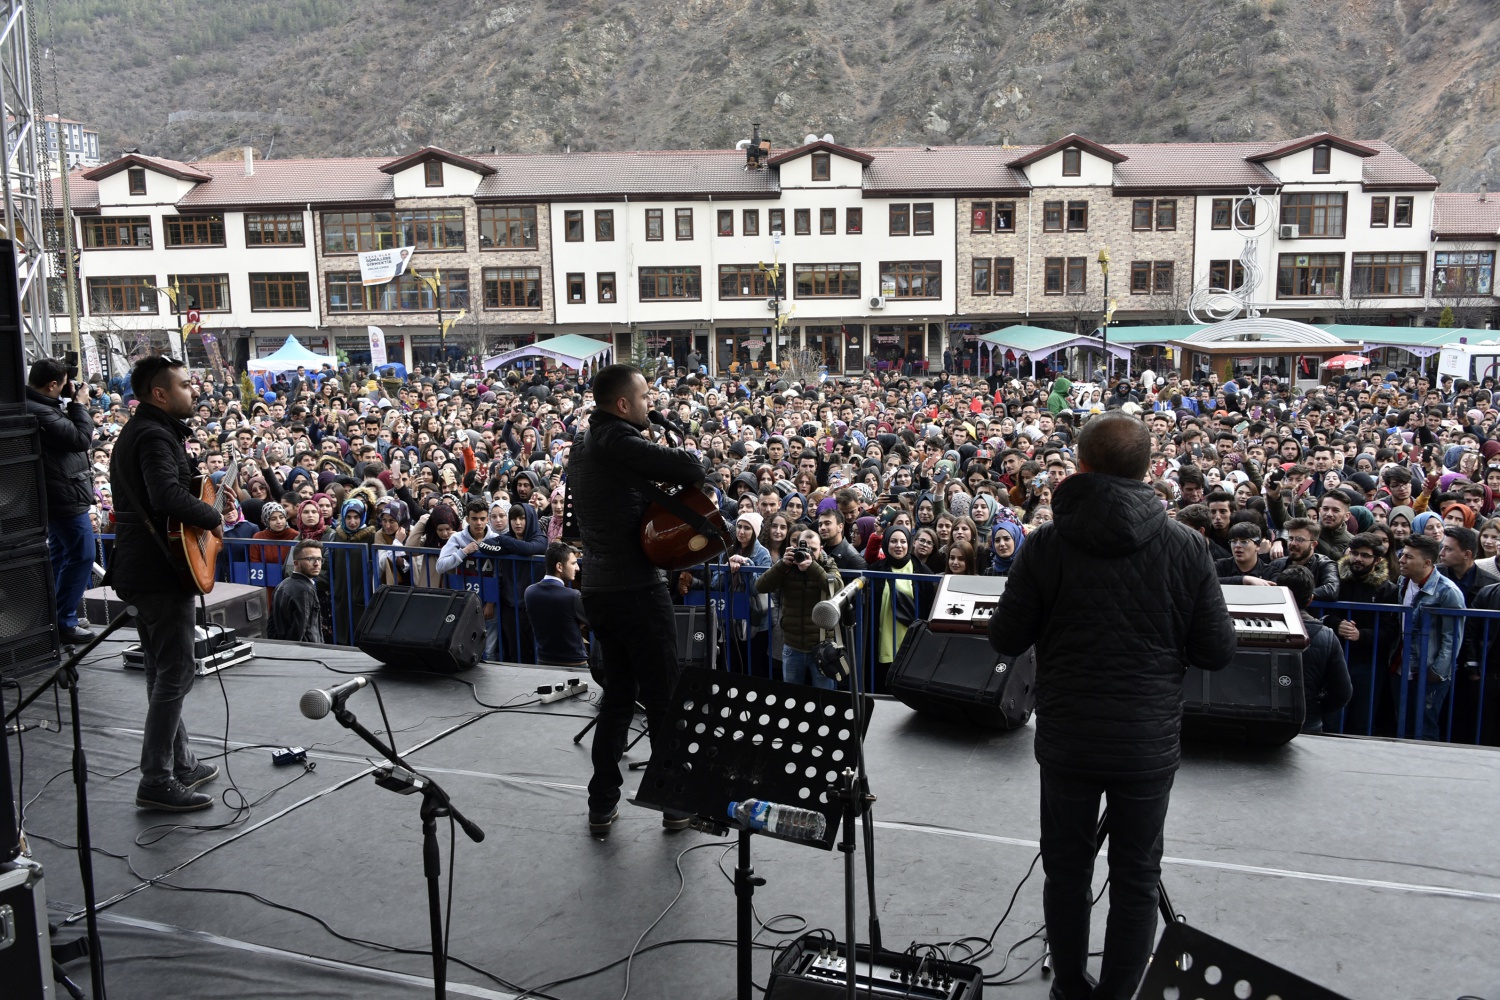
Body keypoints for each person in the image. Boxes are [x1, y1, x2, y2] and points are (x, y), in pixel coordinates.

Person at [988, 412, 1236, 1000]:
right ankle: (1121, 993)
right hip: (1145, 744)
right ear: (1150, 470)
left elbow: (1004, 638)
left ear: (1081, 466)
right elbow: (1217, 651)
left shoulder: (1046, 543)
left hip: (1070, 739)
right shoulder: (1185, 546)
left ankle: (1070, 987)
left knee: (1066, 874)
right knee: (1136, 879)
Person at [568, 364, 706, 836]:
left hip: (599, 588)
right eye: (646, 397)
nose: (653, 404)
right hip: (636, 589)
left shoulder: (583, 443)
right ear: (623, 405)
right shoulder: (619, 441)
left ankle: (602, 803)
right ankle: (674, 803)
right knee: (664, 698)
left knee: (619, 698)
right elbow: (692, 469)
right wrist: (667, 442)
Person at [106, 356, 225, 812]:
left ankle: (181, 763)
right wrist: (212, 516)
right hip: (157, 572)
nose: (192, 392)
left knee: (162, 669)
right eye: (183, 385)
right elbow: (166, 496)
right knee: (176, 672)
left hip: (143, 567)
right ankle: (156, 779)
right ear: (160, 393)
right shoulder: (155, 434)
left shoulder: (142, 430)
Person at [25, 358, 98, 643]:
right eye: (64, 383)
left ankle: (54, 616)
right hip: (63, 496)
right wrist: (78, 405)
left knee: (60, 555)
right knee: (82, 554)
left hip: (61, 492)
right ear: (52, 384)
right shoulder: (39, 411)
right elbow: (80, 439)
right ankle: (64, 621)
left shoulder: (42, 405)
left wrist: (66, 403)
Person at [1394, 533, 1465, 739]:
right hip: (1401, 666)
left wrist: (1437, 671)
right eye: (1402, 554)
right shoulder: (1402, 581)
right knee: (1402, 724)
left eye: (1408, 557)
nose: (1401, 560)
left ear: (1426, 562)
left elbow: (1453, 637)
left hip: (1429, 669)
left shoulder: (1447, 591)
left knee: (1425, 727)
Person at [756, 525, 841, 690]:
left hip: (821, 646)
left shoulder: (828, 564)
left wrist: (812, 568)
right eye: (804, 548)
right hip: (792, 646)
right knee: (792, 698)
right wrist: (782, 564)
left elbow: (836, 587)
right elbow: (760, 586)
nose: (808, 553)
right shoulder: (788, 567)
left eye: (813, 549)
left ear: (821, 549)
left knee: (825, 699)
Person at [1275, 565, 1352, 733]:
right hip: (1308, 723)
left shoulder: (1255, 629)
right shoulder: (1328, 636)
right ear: (1310, 599)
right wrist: (1315, 708)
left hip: (1266, 720)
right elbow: (1342, 692)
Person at [523, 541, 589, 669]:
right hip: (574, 663)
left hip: (544, 661)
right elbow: (591, 621)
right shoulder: (572, 596)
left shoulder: (529, 592)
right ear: (559, 566)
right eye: (573, 563)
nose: (577, 568)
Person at [270, 540, 324, 643]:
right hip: (305, 653)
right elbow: (300, 630)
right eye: (310, 559)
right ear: (296, 563)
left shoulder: (282, 584)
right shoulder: (304, 590)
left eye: (319, 559)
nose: (317, 564)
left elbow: (271, 625)